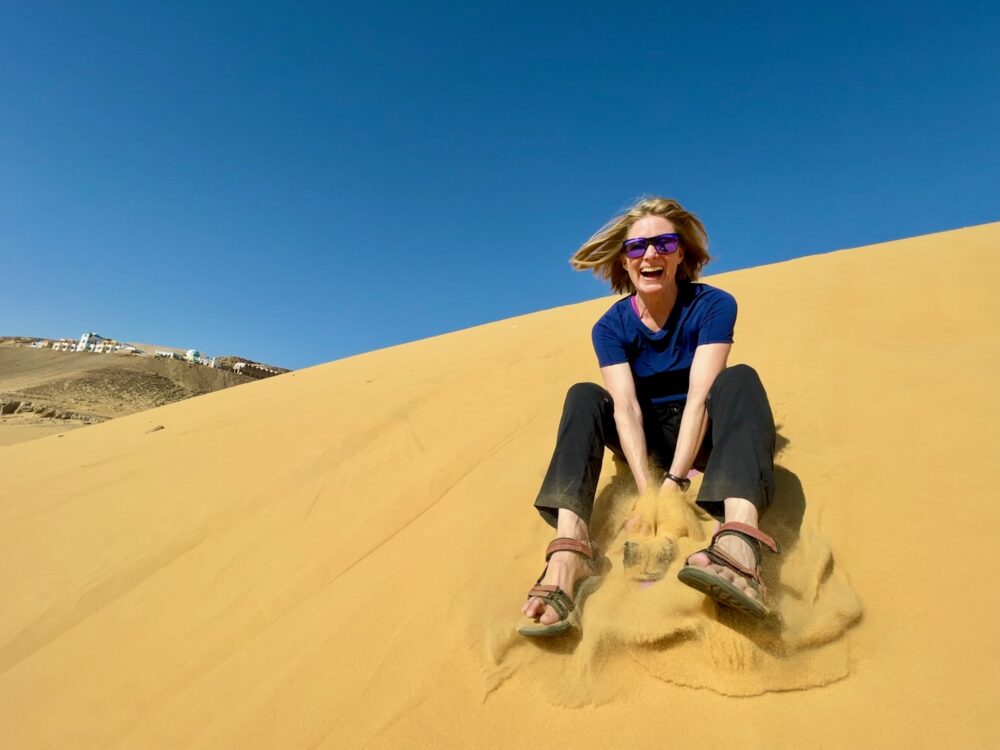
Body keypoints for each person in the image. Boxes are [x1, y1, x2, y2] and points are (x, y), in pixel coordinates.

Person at [518, 197, 779, 637]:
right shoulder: (610, 327)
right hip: (645, 432)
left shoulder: (713, 306)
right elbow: (625, 408)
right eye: (638, 247)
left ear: (681, 253)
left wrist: (674, 484)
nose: (651, 255)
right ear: (624, 260)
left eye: (664, 243)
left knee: (740, 380)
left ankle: (740, 541)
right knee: (584, 395)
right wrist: (647, 493)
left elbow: (700, 396)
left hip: (704, 433)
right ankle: (571, 552)